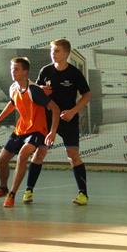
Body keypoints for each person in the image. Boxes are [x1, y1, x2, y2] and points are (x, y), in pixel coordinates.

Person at [0, 57, 58, 209]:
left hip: (37, 130)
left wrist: (52, 132)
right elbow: (12, 104)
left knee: (23, 155)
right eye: (12, 69)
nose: (13, 71)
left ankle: (12, 194)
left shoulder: (34, 90)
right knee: (1, 160)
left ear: (25, 72)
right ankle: (3, 189)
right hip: (21, 130)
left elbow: (55, 109)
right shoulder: (13, 88)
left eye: (16, 69)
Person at [26, 38, 92, 206]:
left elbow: (87, 95)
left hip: (68, 119)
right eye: (52, 51)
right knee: (39, 153)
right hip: (48, 120)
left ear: (66, 53)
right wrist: (41, 89)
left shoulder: (74, 73)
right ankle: (28, 190)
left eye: (57, 51)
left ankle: (83, 194)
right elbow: (35, 92)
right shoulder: (46, 71)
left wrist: (73, 111)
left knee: (73, 155)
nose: (53, 54)